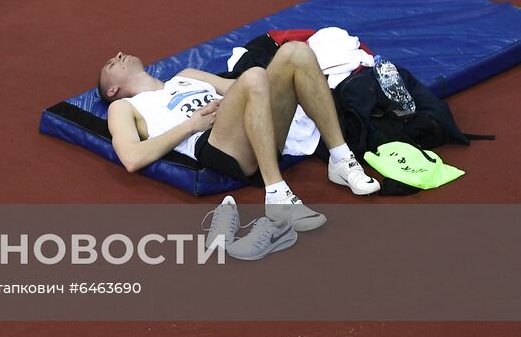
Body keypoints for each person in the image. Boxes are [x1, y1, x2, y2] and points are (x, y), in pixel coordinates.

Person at [96, 43, 378, 260]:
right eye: (111, 63)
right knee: (254, 75)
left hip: (248, 124)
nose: (120, 54)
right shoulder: (123, 108)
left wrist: (300, 78)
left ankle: (341, 159)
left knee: (296, 52)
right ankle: (277, 195)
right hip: (214, 143)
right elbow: (132, 157)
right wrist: (193, 125)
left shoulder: (186, 76)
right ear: (112, 90)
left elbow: (244, 88)